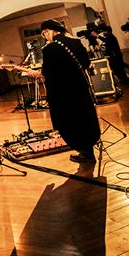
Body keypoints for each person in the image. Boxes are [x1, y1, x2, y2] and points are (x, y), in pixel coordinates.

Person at [27, 19, 100, 163]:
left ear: (49, 31)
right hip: (81, 88)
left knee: (71, 122)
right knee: (84, 117)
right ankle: (88, 151)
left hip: (64, 92)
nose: (45, 36)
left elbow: (47, 72)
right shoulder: (76, 42)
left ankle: (84, 151)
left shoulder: (50, 49)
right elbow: (86, 63)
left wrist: (34, 73)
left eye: (44, 33)